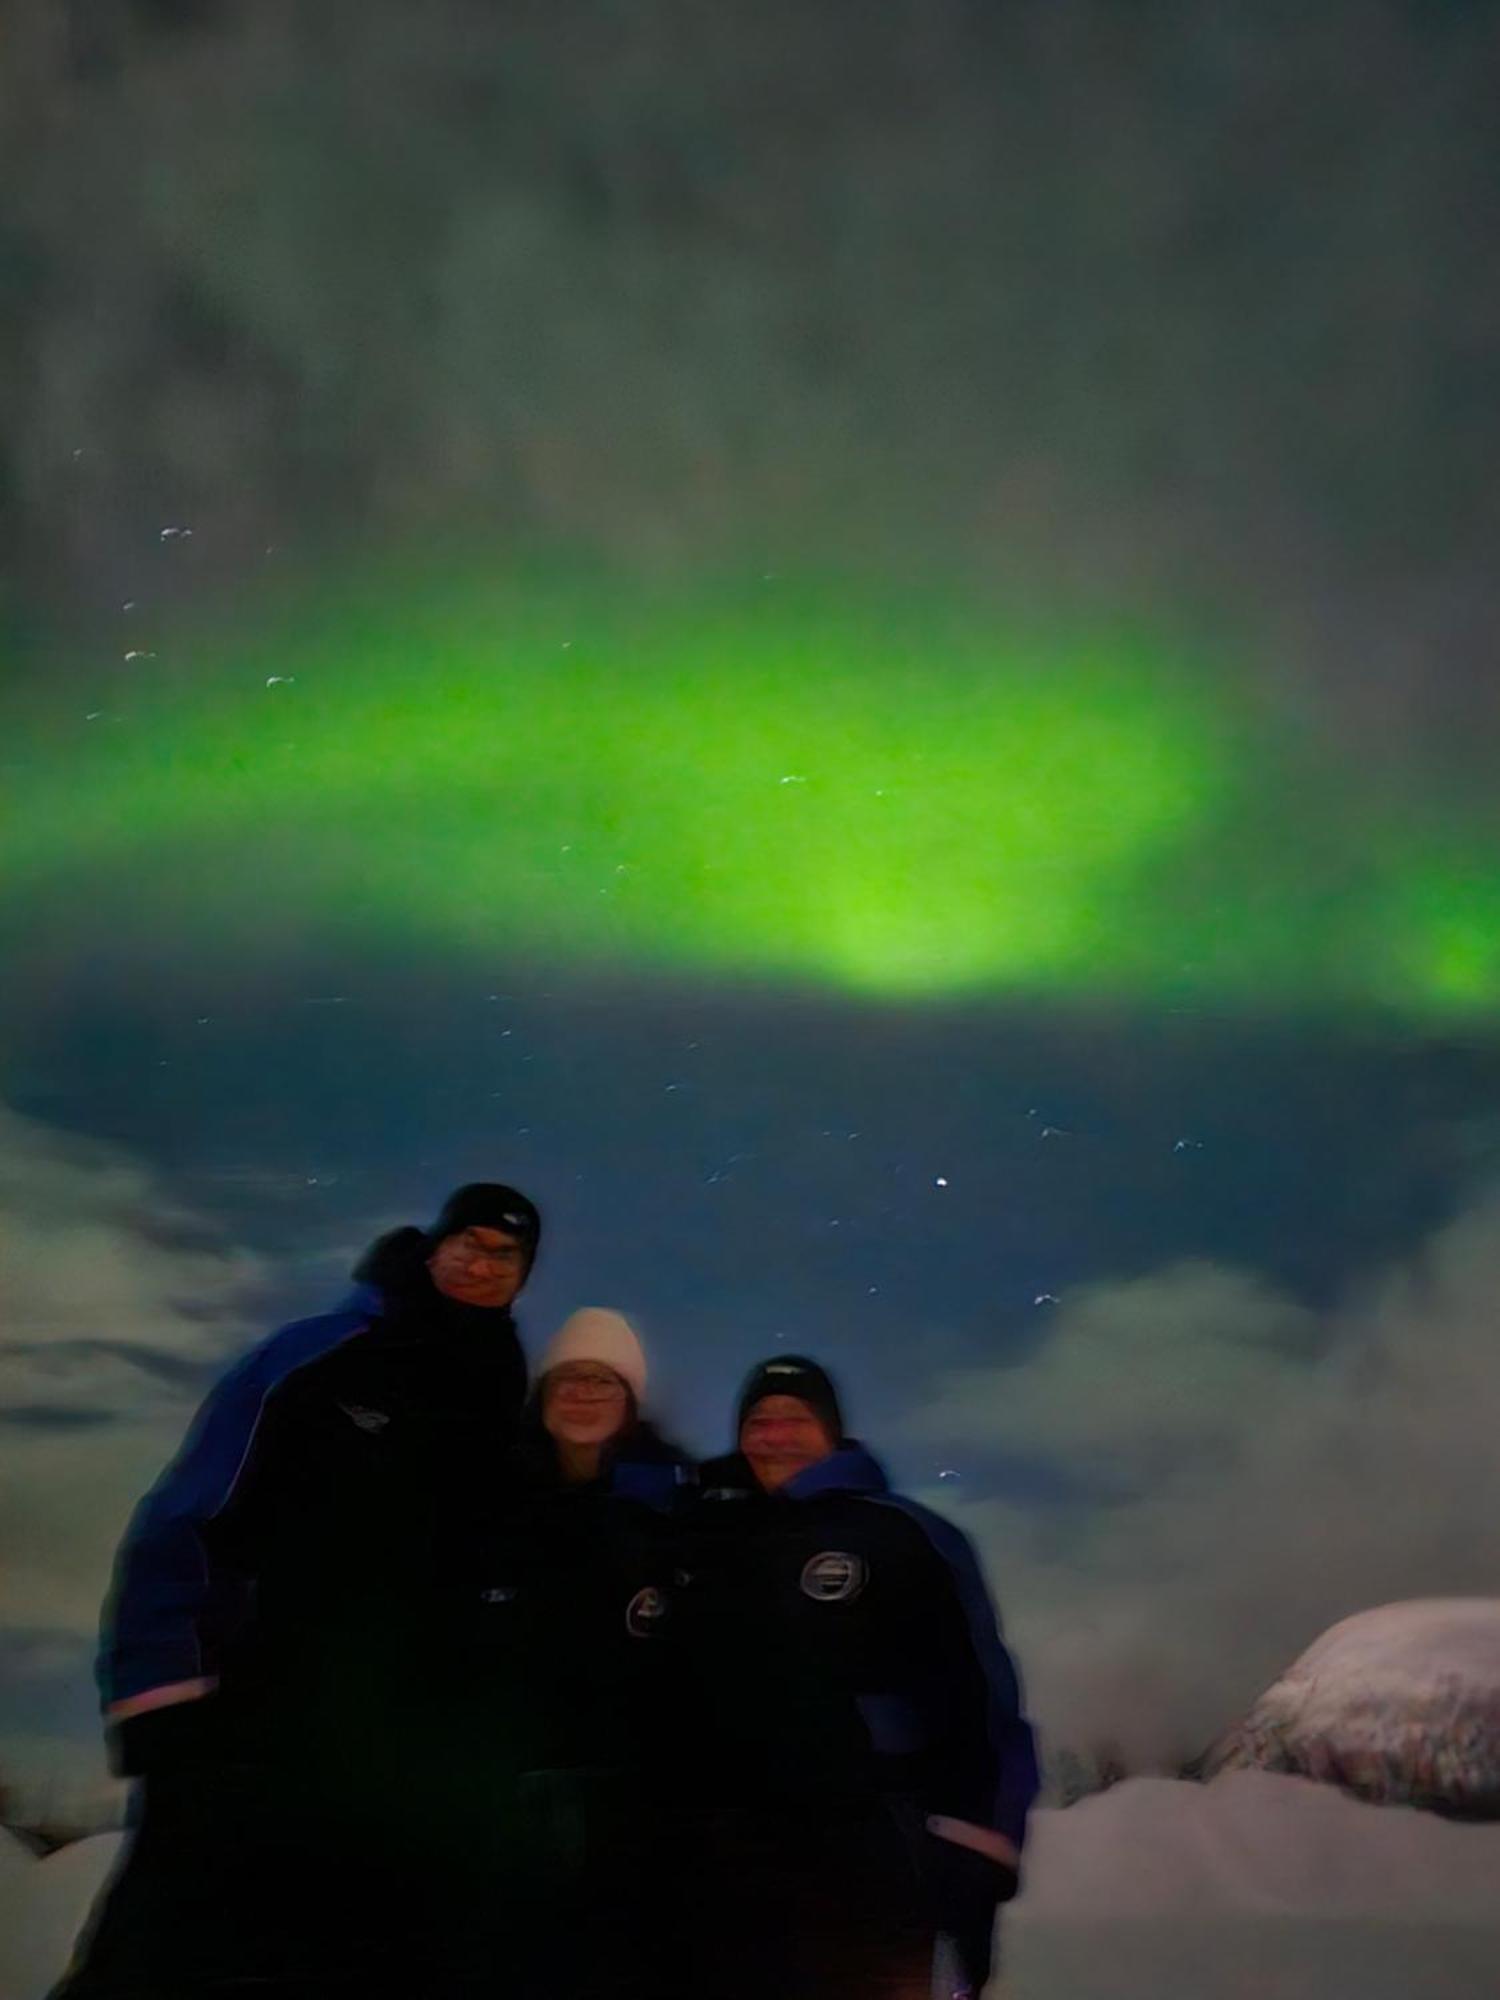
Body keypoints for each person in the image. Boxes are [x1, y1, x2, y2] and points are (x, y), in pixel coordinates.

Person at [53, 1181, 542, 2000]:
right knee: (161, 1961)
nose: (483, 1265)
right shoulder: (316, 1357)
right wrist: (159, 1696)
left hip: (384, 1761)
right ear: (433, 1247)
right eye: (470, 1243)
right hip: (246, 1725)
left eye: (507, 1255)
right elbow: (187, 1520)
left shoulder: (499, 1400)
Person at [670, 1355, 1038, 2000]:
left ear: (833, 1433)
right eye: (759, 1421)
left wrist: (981, 1842)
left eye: (795, 1419)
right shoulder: (714, 1541)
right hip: (732, 1873)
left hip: (881, 1865)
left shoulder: (902, 1533)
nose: (775, 1435)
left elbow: (980, 1698)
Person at [477, 1308, 691, 1999]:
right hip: (506, 1808)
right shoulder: (494, 1505)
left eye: (604, 1381)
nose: (585, 1394)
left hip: (637, 1814)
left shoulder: (676, 1509)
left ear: (630, 1400)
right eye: (569, 1379)